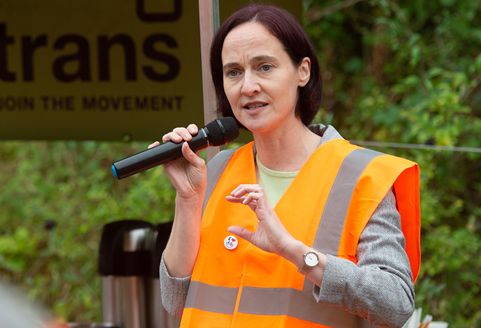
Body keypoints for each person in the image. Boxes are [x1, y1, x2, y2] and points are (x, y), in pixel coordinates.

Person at [152, 4, 420, 328]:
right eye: (233, 72)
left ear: (303, 71)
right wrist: (188, 199)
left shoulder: (362, 177)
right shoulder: (217, 168)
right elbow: (175, 300)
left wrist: (299, 254)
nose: (247, 86)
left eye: (264, 67)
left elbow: (396, 303)